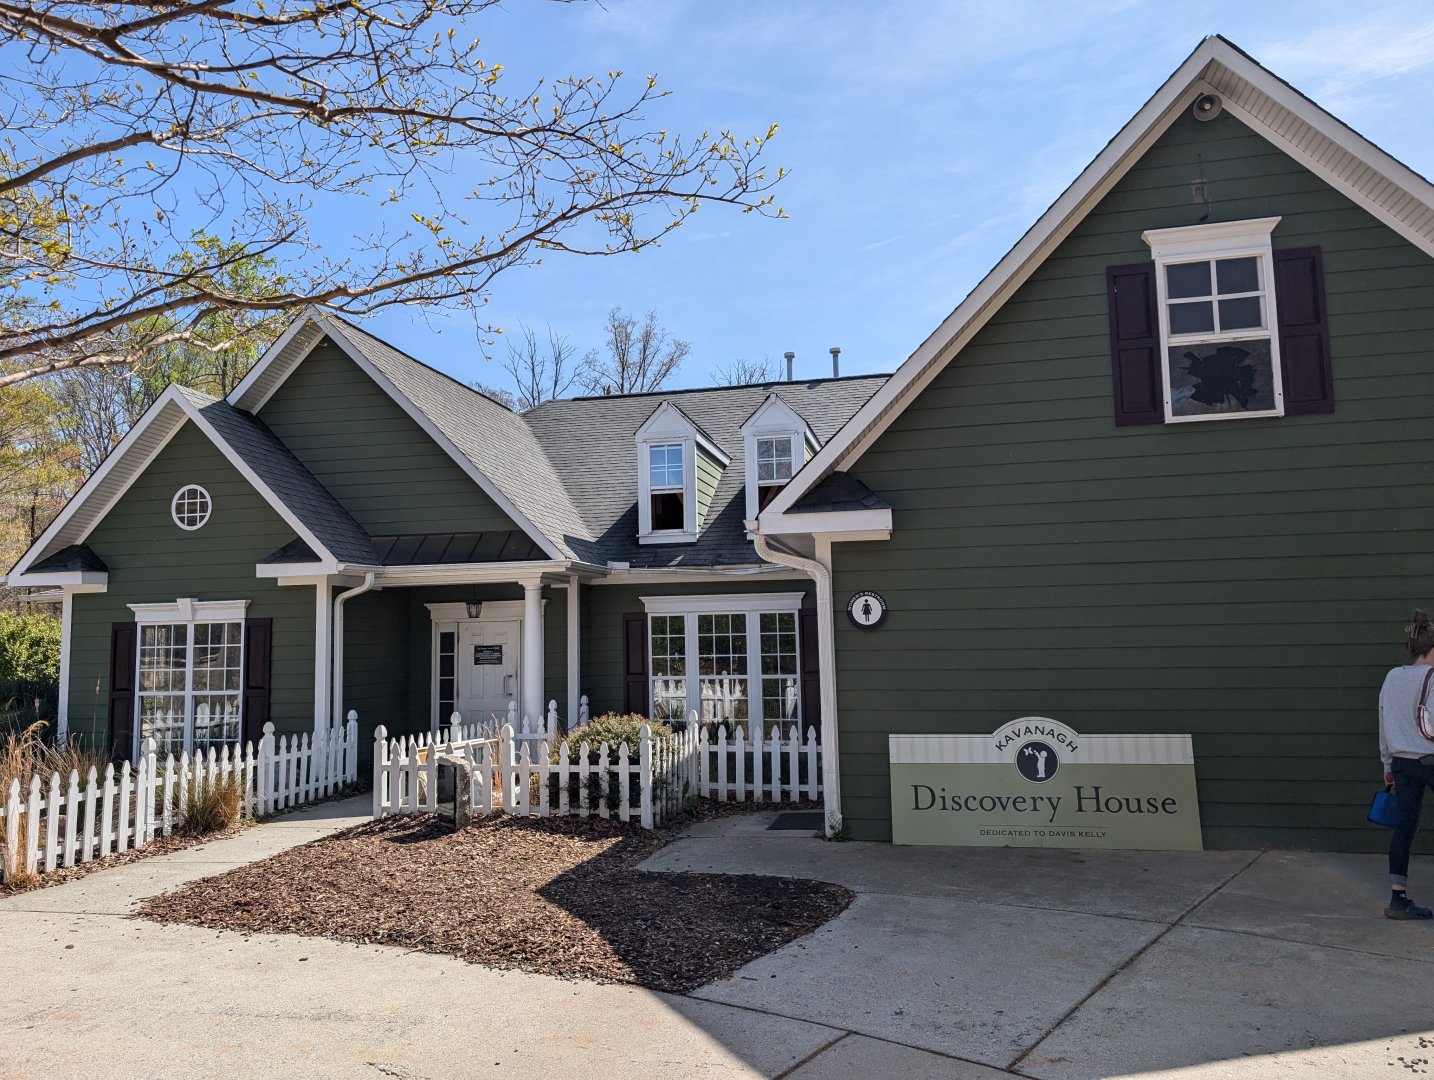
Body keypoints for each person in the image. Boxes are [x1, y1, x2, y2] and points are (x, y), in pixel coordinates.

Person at [1378, 610, 1434, 919]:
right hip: (1430, 759)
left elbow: (1384, 723)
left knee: (1404, 829)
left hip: (1401, 762)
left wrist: (1387, 763)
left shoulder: (1392, 677)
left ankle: (1398, 900)